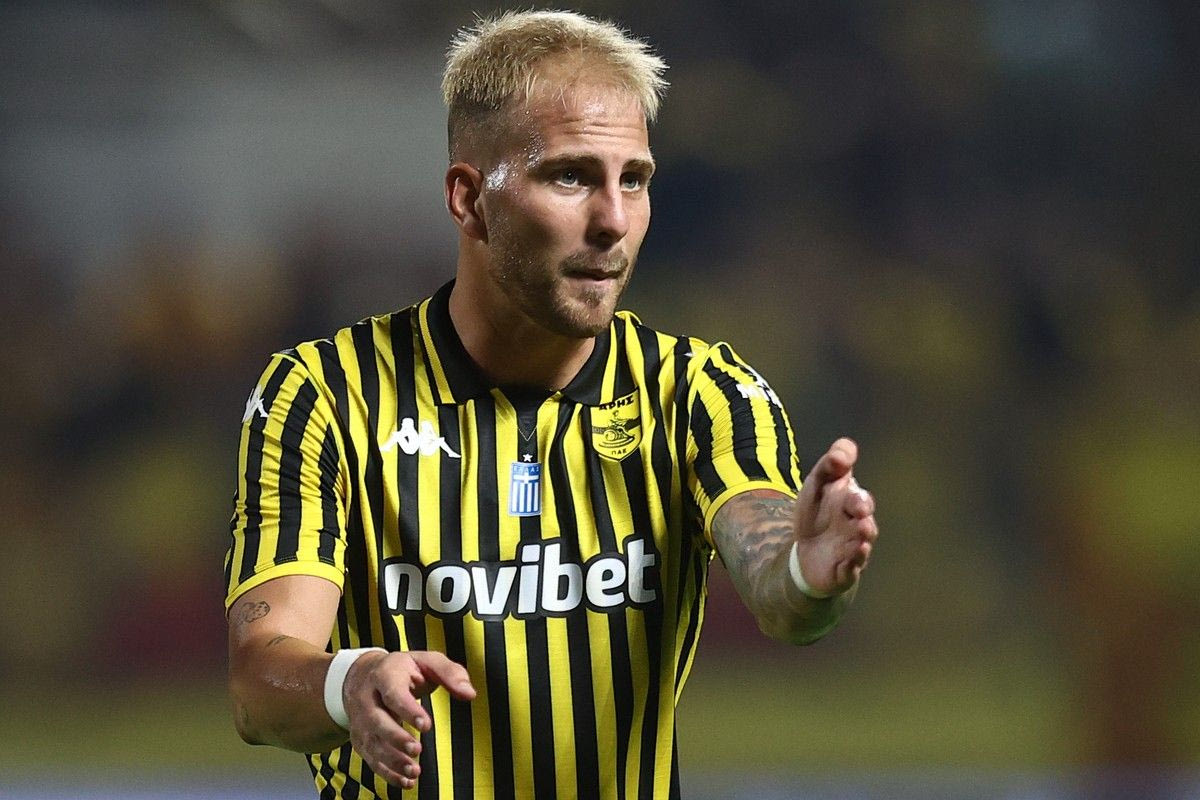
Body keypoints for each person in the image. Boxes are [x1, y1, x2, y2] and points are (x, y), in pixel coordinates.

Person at [224, 10, 878, 799]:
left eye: (633, 180)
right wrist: (348, 681)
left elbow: (778, 584)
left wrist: (806, 575)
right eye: (570, 176)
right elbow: (259, 680)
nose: (613, 222)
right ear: (469, 199)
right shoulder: (327, 395)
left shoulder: (701, 393)